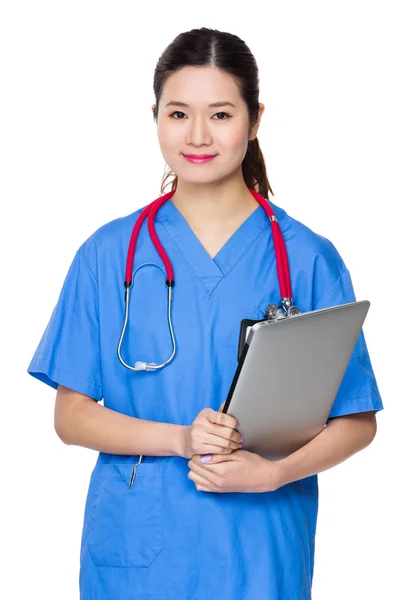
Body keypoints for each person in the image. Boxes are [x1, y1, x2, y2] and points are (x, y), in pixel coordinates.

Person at [27, 27, 384, 600]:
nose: (197, 136)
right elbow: (70, 416)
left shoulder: (307, 258)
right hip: (137, 553)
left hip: (260, 548)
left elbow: (357, 421)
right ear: (156, 117)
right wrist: (181, 439)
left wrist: (272, 473)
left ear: (255, 117)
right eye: (178, 114)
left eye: (220, 114)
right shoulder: (108, 254)